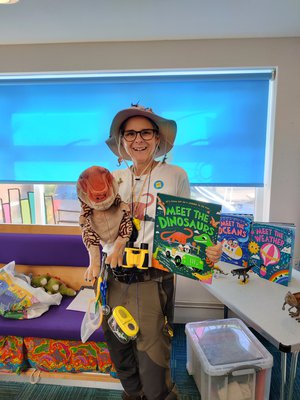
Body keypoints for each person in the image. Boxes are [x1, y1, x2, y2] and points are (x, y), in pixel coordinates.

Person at [100, 104, 222, 400]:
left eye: (145, 132)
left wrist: (208, 250)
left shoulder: (174, 174)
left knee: (152, 352)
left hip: (154, 277)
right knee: (119, 345)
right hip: (114, 277)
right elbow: (95, 223)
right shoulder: (112, 178)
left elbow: (193, 225)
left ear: (157, 138)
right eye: (130, 133)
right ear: (122, 140)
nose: (138, 139)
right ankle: (133, 395)